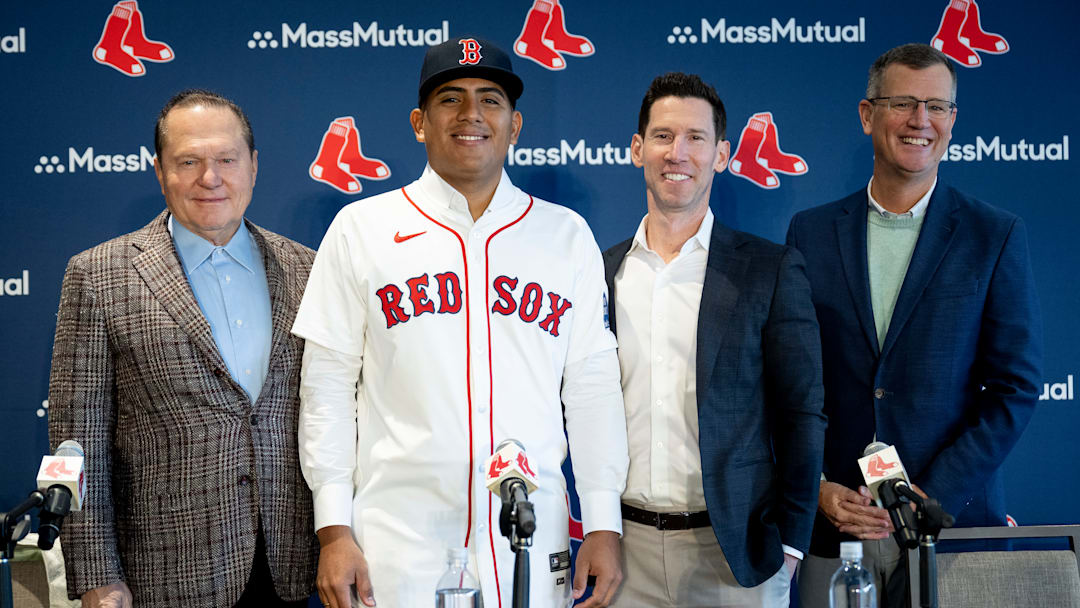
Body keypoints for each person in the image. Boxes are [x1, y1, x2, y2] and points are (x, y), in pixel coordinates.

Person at [292, 36, 629, 608]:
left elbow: (593, 391)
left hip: (529, 534)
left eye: (490, 99)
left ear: (515, 125)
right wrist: (333, 527)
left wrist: (602, 520)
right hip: (398, 540)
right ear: (420, 122)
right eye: (450, 99)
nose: (471, 114)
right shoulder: (361, 228)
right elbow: (326, 389)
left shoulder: (565, 235)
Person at [787, 43, 1042, 607]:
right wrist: (819, 488)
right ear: (866, 114)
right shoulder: (811, 232)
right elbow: (791, 383)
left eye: (937, 106)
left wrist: (930, 493)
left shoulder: (993, 235)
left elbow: (1015, 388)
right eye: (903, 102)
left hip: (951, 528)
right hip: (838, 528)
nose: (920, 120)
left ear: (952, 119)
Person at [47, 90, 318, 607]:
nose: (210, 178)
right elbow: (77, 441)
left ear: (254, 166)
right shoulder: (99, 274)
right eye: (188, 161)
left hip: (292, 565)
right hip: (167, 574)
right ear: (159, 170)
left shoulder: (308, 268)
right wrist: (97, 575)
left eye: (226, 160)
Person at [603, 72, 826, 608]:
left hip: (735, 558)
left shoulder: (770, 270)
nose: (677, 153)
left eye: (695, 138)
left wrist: (793, 544)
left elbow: (803, 412)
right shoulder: (599, 274)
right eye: (662, 136)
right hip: (621, 555)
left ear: (722, 154)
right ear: (637, 149)